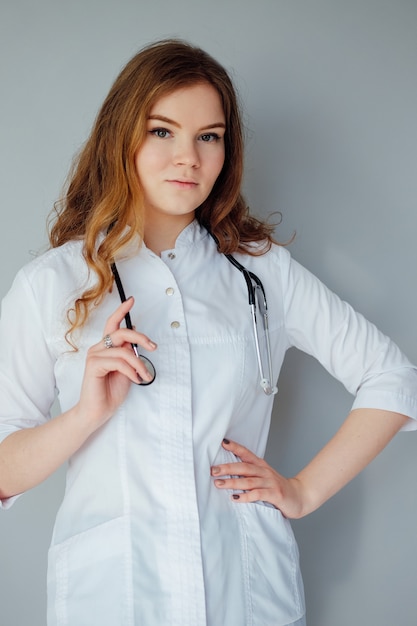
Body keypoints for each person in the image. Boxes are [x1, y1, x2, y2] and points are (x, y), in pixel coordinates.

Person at [0, 39, 416, 626]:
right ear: (122, 137)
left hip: (243, 593)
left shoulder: (262, 272)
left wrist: (303, 491)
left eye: (209, 136)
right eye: (162, 131)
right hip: (116, 597)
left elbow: (392, 378)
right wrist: (85, 416)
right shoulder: (54, 283)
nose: (188, 158)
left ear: (227, 149)